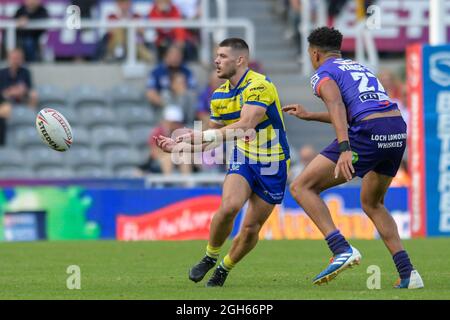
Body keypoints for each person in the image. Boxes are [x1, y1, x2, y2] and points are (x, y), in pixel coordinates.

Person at [283, 26, 423, 289]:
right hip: (395, 128)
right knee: (372, 203)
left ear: (314, 53)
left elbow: (336, 105)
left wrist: (345, 147)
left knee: (302, 187)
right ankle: (408, 273)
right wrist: (310, 115)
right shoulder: (359, 67)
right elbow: (353, 110)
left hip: (367, 132)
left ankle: (341, 248)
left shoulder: (323, 73)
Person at [154, 38, 290, 287]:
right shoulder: (218, 96)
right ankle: (210, 256)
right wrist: (180, 146)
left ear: (240, 60)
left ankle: (224, 268)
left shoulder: (260, 85)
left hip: (273, 162)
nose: (216, 60)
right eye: (216, 55)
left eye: (223, 56)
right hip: (244, 156)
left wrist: (200, 136)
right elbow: (213, 139)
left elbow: (246, 124)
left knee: (250, 229)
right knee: (229, 206)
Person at [146, 45, 196, 111]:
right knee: (165, 93)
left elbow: (193, 92)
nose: (175, 58)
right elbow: (150, 93)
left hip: (183, 105)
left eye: (178, 55)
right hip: (163, 107)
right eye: (173, 55)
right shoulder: (156, 72)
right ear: (166, 56)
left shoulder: (187, 72)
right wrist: (167, 105)